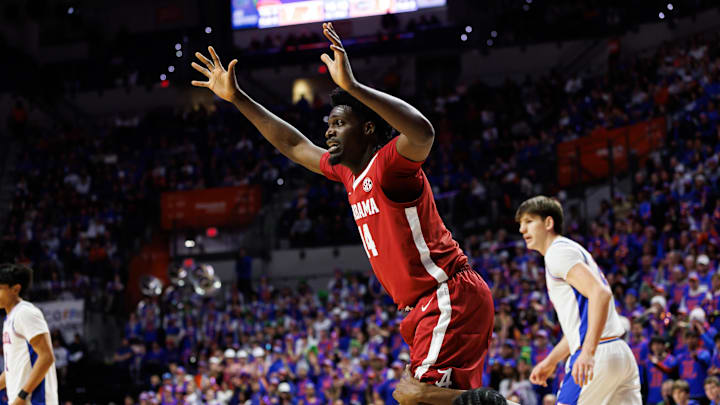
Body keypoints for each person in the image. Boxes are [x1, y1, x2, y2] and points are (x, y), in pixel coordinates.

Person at [191, 22, 494, 390]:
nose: (329, 131)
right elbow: (293, 146)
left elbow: (423, 133)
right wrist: (238, 98)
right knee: (427, 396)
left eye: (339, 123)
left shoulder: (388, 166)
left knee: (414, 395)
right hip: (427, 305)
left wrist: (353, 87)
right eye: (329, 124)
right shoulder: (349, 175)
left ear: (367, 129)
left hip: (446, 295)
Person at [516, 196, 641, 404]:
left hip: (598, 353)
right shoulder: (570, 250)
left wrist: (588, 351)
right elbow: (579, 327)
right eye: (520, 224)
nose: (522, 229)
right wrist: (551, 361)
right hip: (619, 353)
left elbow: (601, 294)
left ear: (548, 223)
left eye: (529, 221)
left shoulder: (557, 252)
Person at [0, 263, 58, 404]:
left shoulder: (25, 312)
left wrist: (21, 396)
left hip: (35, 401)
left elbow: (47, 357)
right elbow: (12, 369)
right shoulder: (9, 320)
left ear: (16, 289)